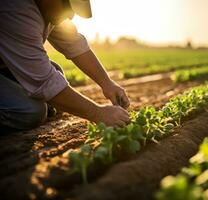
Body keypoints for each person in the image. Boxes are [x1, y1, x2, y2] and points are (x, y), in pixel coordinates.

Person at [0, 0, 131, 133]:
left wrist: (107, 83)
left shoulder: (49, 8)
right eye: (67, 6)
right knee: (30, 111)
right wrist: (98, 113)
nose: (71, 16)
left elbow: (73, 44)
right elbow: (44, 82)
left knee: (56, 71)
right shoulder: (14, 10)